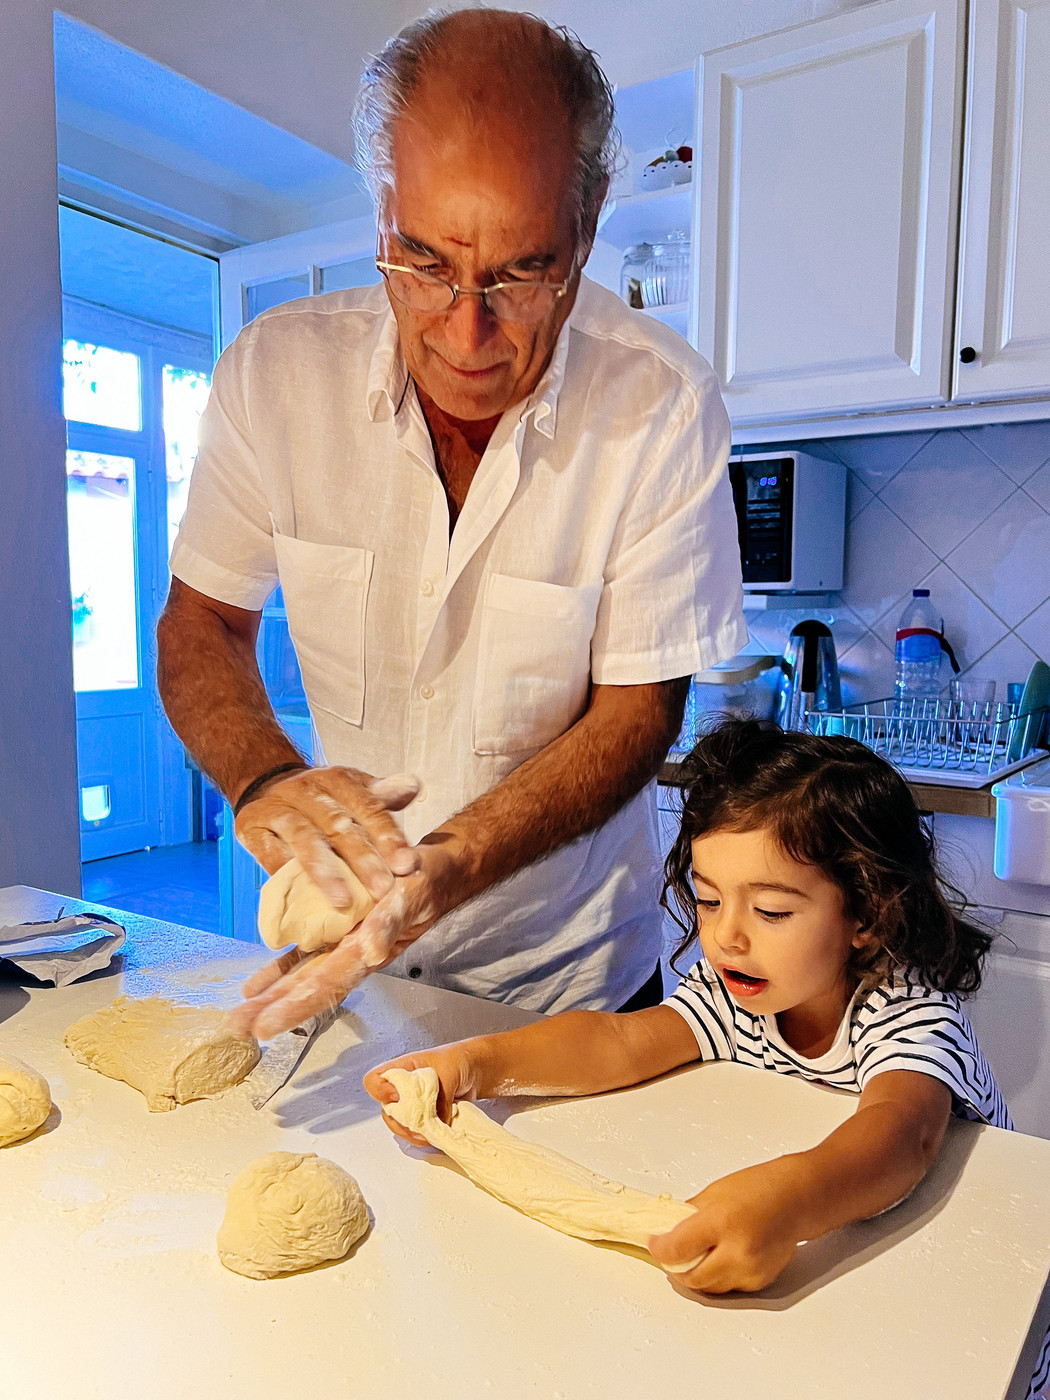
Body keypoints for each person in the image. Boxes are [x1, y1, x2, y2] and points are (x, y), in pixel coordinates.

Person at [158, 9, 745, 1039]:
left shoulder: (662, 404)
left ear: (591, 218)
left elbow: (637, 712)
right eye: (422, 260)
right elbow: (202, 622)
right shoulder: (275, 375)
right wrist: (264, 775)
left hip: (572, 988)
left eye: (522, 270)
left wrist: (453, 862)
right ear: (381, 209)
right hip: (358, 975)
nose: (467, 331)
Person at [366, 718, 1049, 1400]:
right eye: (710, 897)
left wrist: (789, 1200)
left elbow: (904, 1132)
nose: (726, 936)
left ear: (866, 914)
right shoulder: (738, 993)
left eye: (773, 912)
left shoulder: (909, 1013)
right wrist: (477, 1064)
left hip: (978, 1323)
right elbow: (621, 1041)